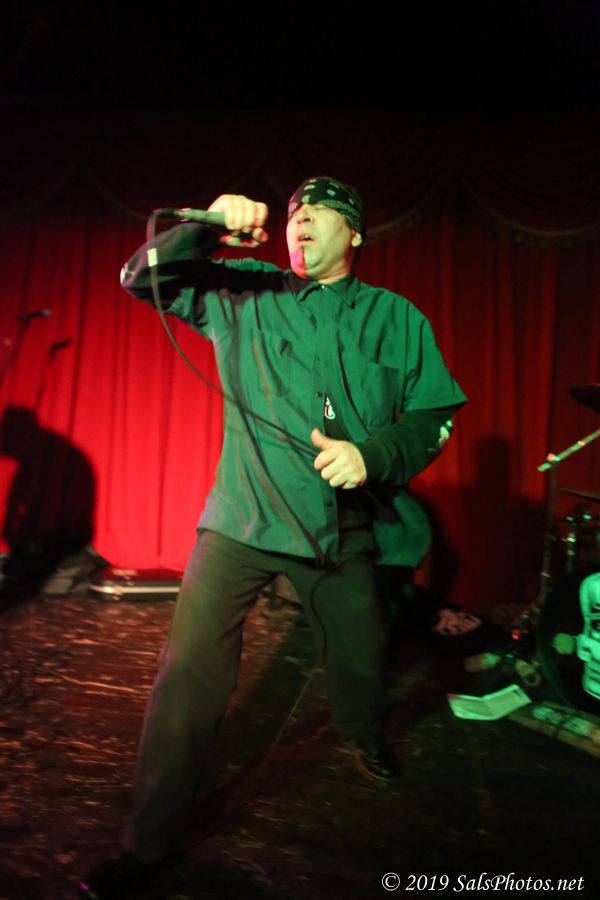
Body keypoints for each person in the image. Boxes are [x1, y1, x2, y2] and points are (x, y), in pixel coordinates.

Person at [80, 177, 466, 899]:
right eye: (294, 213)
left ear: (355, 233)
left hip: (341, 529)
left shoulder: (396, 317)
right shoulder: (245, 292)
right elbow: (141, 278)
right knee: (188, 674)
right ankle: (146, 843)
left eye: (320, 212)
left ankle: (362, 731)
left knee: (358, 655)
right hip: (242, 519)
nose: (302, 221)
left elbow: (433, 414)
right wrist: (205, 230)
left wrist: (374, 455)